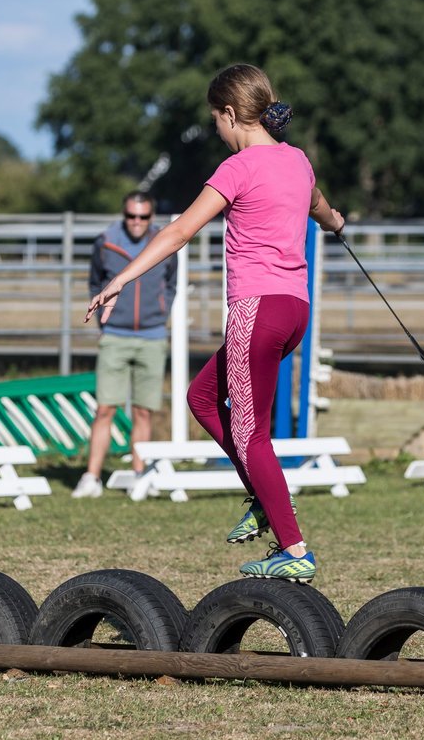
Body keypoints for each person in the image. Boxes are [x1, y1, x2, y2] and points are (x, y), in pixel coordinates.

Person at [87, 64, 344, 582]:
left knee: (252, 435)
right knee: (202, 398)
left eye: (216, 122)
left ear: (231, 114)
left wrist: (120, 280)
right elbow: (320, 207)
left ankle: (293, 548)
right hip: (294, 311)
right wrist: (338, 223)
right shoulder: (298, 160)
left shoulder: (238, 168)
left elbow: (180, 230)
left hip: (257, 311)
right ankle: (261, 495)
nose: (218, 132)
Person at [72, 192, 177, 499]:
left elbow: (171, 285)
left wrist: (161, 310)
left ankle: (139, 476)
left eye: (143, 217)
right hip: (115, 335)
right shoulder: (106, 241)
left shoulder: (165, 242)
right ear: (124, 215)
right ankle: (91, 477)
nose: (136, 222)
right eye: (131, 216)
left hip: (152, 336)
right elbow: (95, 281)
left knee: (143, 411)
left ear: (151, 217)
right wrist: (105, 322)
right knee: (105, 408)